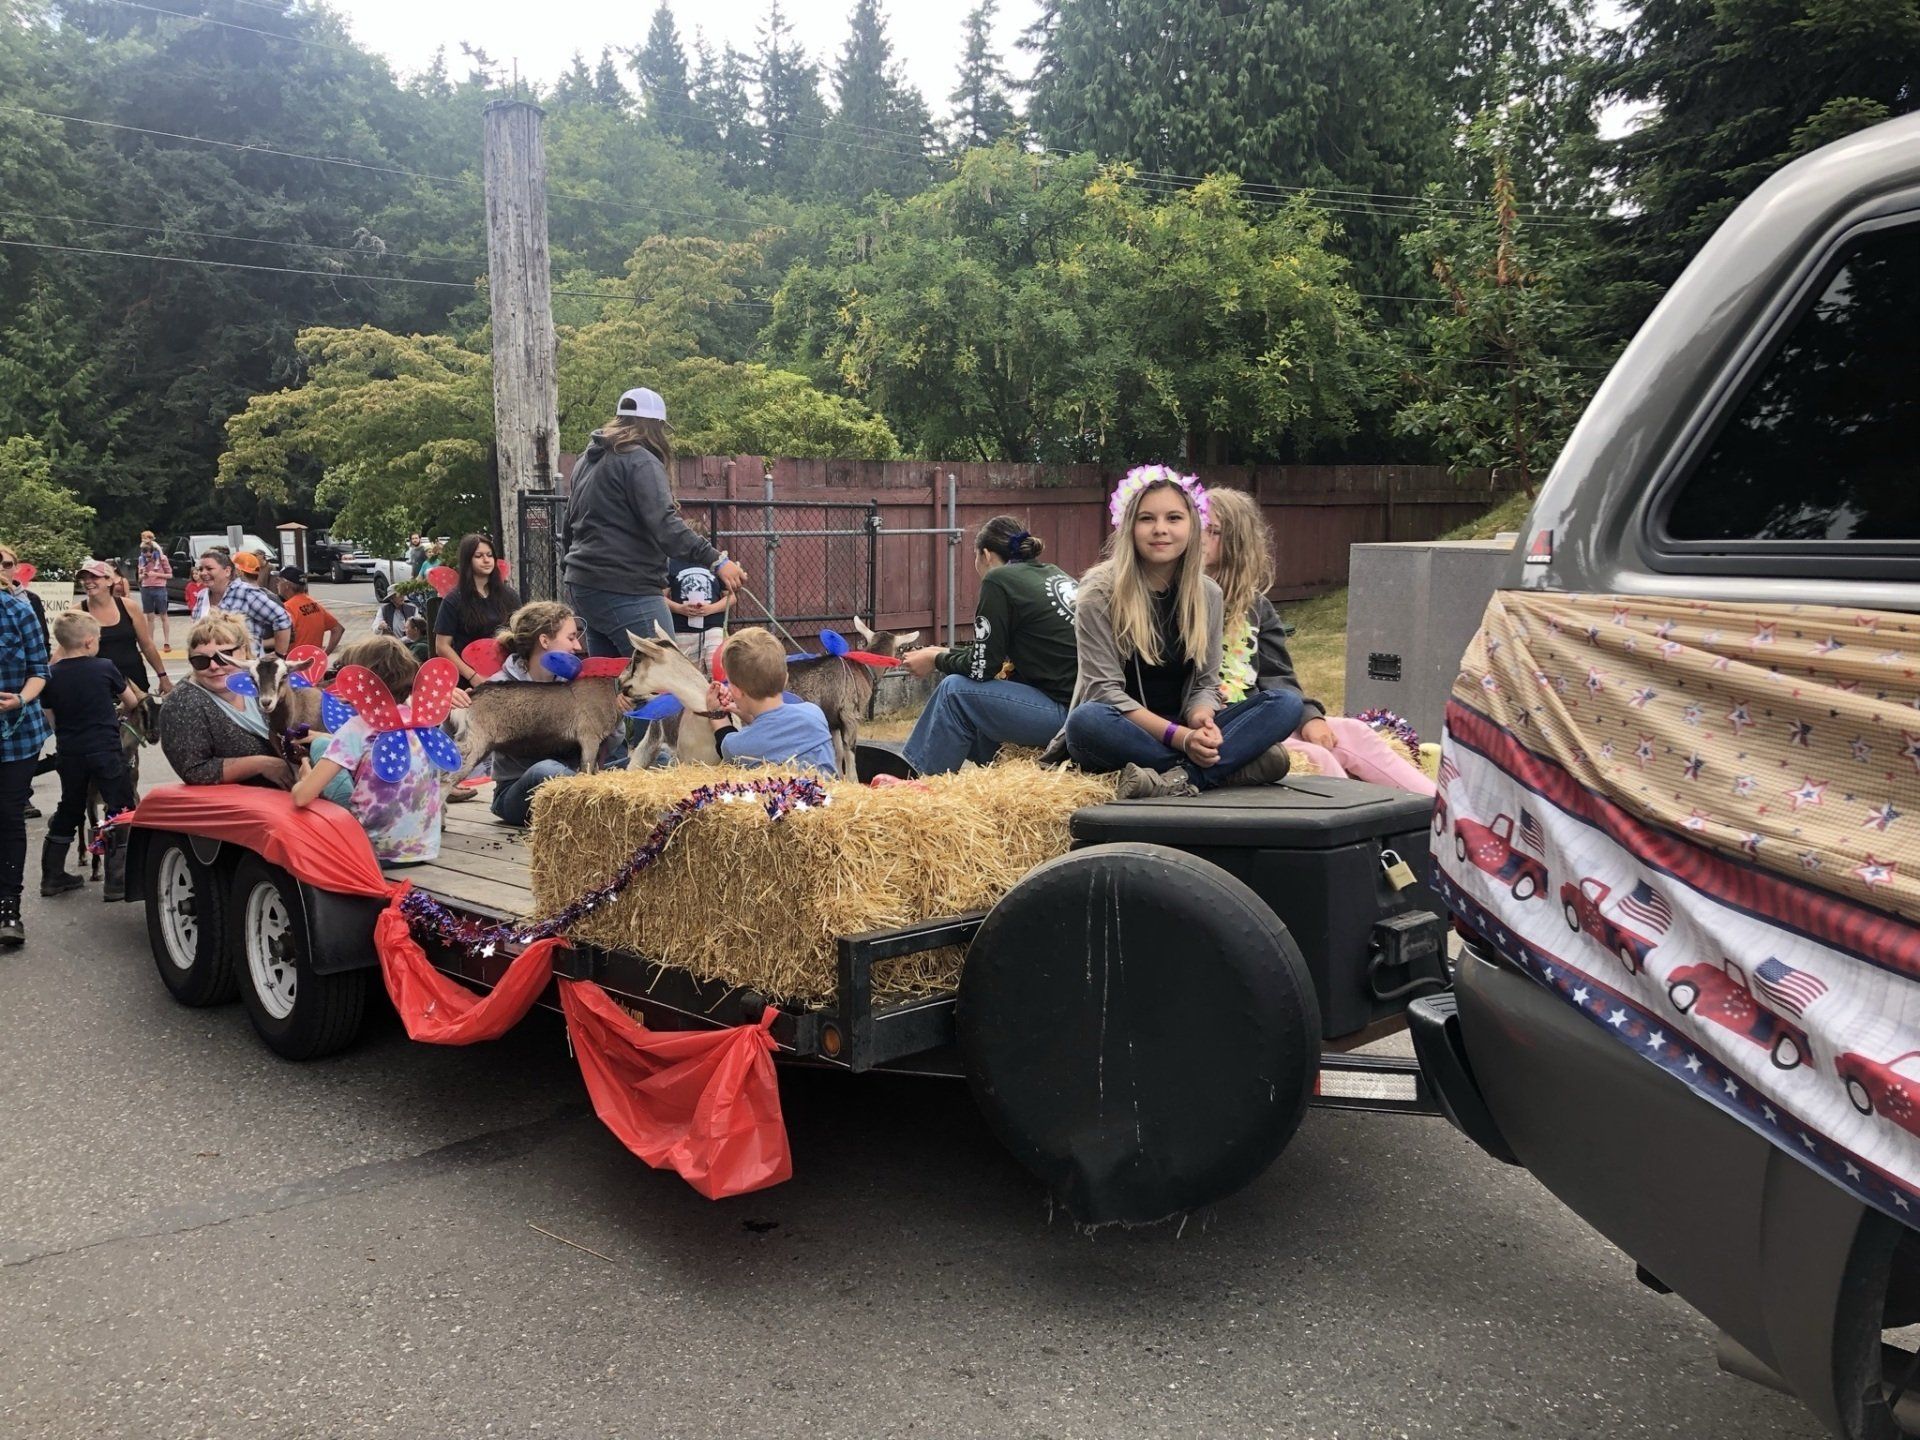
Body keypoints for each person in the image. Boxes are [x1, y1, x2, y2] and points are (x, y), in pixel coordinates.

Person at [1059, 466, 1300, 798]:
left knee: (1285, 703)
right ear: (1128, 526)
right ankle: (1220, 769)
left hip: (1183, 725)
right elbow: (1104, 693)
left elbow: (1205, 684)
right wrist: (1183, 739)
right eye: (1147, 519)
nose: (1160, 529)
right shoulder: (1099, 591)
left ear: (1192, 525)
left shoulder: (1208, 594)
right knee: (1086, 722)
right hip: (1124, 729)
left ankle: (1180, 778)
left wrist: (1203, 722)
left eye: (1174, 518)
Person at [1205, 488, 1435, 796]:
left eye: (1213, 531)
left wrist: (1309, 717)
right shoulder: (1180, 600)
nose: (1200, 537)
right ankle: (1352, 834)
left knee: (1354, 732)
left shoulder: (1255, 608)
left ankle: (1439, 814)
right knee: (1316, 757)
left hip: (1265, 713)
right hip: (1225, 726)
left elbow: (1278, 678)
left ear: (1237, 541)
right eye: (1197, 527)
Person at [560, 386, 746, 657]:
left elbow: (569, 525)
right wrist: (717, 561)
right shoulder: (639, 460)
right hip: (625, 587)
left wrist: (572, 570)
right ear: (656, 426)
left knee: (614, 681)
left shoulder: (586, 461)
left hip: (584, 584)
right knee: (666, 677)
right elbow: (666, 526)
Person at [898, 516, 1080, 776]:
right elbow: (993, 656)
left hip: (1065, 718)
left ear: (985, 554)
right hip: (1086, 711)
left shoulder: (999, 580)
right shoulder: (1051, 573)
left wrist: (936, 660)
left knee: (954, 692)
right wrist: (941, 652)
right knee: (970, 702)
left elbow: (982, 668)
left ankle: (917, 785)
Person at [291, 636, 446, 864]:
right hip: (423, 849)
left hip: (374, 852)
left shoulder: (356, 728)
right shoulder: (420, 720)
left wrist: (304, 773)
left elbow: (302, 798)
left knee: (320, 747)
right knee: (325, 743)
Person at [475, 601, 624, 827]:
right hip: (517, 793)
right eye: (571, 637)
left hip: (573, 780)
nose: (577, 646)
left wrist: (616, 713)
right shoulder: (500, 687)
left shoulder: (576, 683)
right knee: (546, 769)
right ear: (545, 641)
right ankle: (600, 803)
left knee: (658, 758)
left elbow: (607, 745)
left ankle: (595, 800)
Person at [38, 610, 140, 900]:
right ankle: (117, 880)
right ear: (88, 642)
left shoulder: (50, 675)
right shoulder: (105, 667)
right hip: (105, 750)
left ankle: (52, 875)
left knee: (70, 806)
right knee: (118, 808)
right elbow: (131, 702)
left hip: (70, 752)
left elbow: (51, 719)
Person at [157, 614, 293, 789]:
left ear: (244, 651)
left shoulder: (263, 680)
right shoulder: (182, 704)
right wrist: (262, 765)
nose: (213, 666)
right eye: (201, 660)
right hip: (245, 807)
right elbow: (194, 770)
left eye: (224, 656)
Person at [704, 628, 838, 775]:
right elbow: (777, 729)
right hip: (828, 795)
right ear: (786, 679)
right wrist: (742, 712)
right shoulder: (814, 713)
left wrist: (716, 713)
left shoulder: (738, 745)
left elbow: (725, 744)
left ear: (736, 691)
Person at [0, 565, 51, 946]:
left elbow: (39, 670)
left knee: (8, 816)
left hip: (16, 733)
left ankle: (9, 910)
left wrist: (21, 697)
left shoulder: (18, 611)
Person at [74, 558, 171, 700]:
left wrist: (163, 677)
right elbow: (68, 652)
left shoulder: (129, 607)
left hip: (134, 683)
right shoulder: (77, 613)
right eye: (84, 578)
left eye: (94, 577)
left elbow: (147, 645)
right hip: (98, 687)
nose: (87, 582)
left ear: (109, 580)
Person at [436, 534, 521, 685]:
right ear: (468, 560)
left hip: (507, 674)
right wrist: (472, 676)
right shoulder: (454, 600)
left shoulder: (509, 596)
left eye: (489, 555)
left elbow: (521, 634)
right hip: (469, 677)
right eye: (479, 556)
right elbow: (442, 646)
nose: (486, 560)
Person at [193, 549, 291, 655]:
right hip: (210, 667)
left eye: (209, 568)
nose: (203, 573)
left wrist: (279, 656)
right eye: (200, 569)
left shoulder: (246, 592)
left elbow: (282, 618)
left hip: (244, 668)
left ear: (227, 571)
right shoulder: (202, 596)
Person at [665, 552, 734, 671]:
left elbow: (731, 597)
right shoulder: (672, 563)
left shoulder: (715, 563)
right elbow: (661, 597)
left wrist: (710, 609)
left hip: (712, 628)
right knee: (687, 675)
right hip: (682, 630)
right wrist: (679, 608)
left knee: (717, 669)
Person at [274, 567, 344, 653]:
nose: (277, 584)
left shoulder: (288, 607)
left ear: (287, 585)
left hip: (294, 662)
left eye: (278, 581)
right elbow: (338, 629)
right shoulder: (314, 604)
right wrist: (325, 654)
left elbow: (283, 638)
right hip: (314, 662)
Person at [136, 531, 173, 651]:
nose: (147, 554)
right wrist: (143, 575)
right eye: (144, 552)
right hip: (146, 588)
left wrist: (156, 574)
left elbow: (170, 575)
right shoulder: (142, 560)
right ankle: (150, 642)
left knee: (163, 614)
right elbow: (140, 577)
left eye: (149, 552)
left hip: (159, 588)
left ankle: (167, 642)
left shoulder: (162, 558)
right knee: (149, 616)